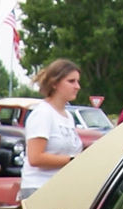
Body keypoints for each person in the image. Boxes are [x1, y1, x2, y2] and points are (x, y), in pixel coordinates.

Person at [19, 59, 83, 199]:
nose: (77, 86)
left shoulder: (68, 117)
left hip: (61, 188)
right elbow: (35, 158)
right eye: (71, 81)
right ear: (55, 84)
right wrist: (73, 160)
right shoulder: (43, 113)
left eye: (78, 81)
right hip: (39, 189)